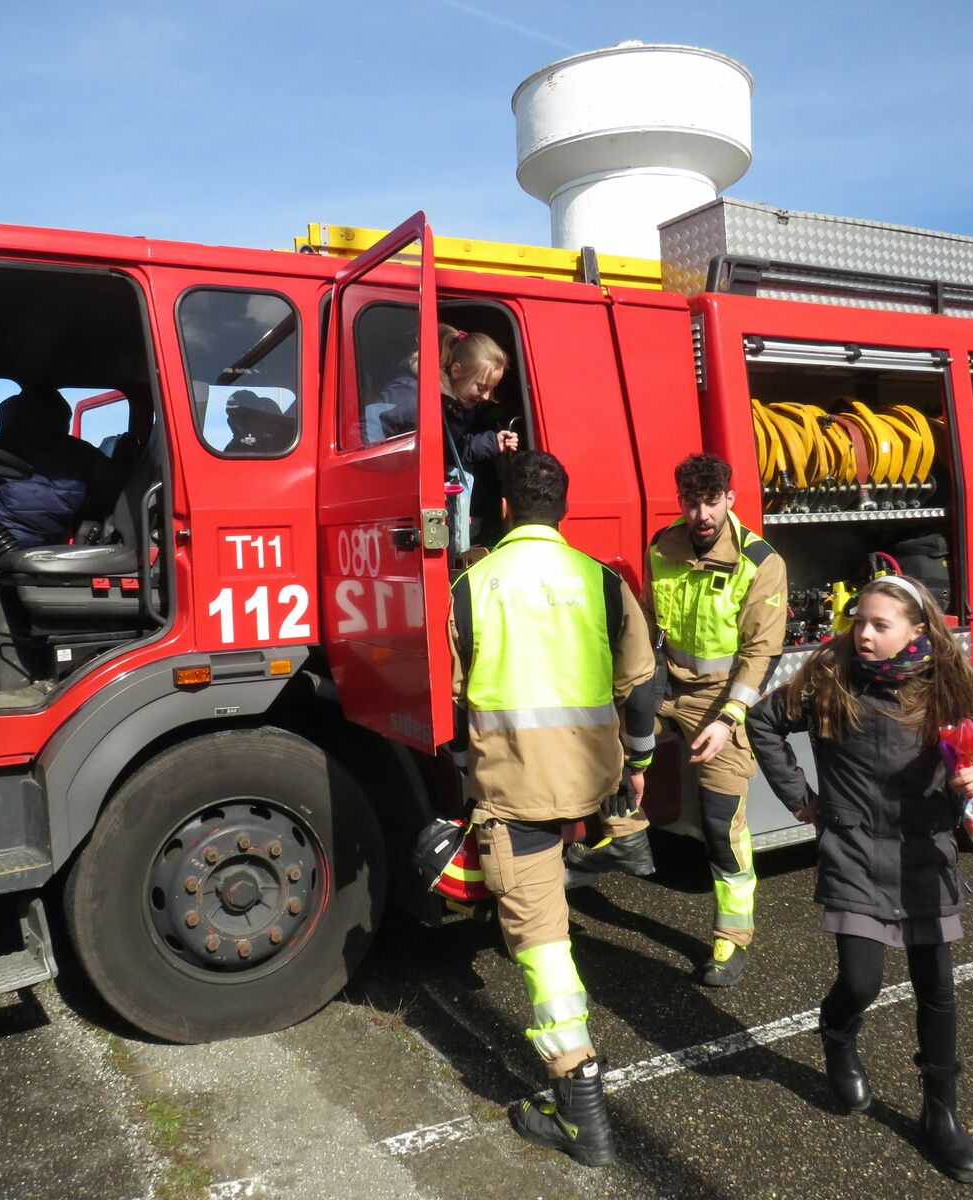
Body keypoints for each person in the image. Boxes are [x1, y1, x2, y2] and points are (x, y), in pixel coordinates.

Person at [746, 576, 973, 1185]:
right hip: (851, 848)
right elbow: (763, 724)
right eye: (860, 622)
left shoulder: (948, 686)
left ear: (917, 631)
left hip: (924, 855)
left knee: (937, 988)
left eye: (880, 624)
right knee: (861, 980)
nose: (865, 634)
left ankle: (941, 1114)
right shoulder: (831, 674)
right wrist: (802, 799)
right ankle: (838, 1035)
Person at [448, 450, 655, 1166]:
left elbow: (449, 703)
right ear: (562, 510)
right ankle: (626, 842)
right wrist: (641, 766)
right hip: (598, 789)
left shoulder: (470, 587)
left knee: (543, 944)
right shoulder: (601, 582)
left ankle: (581, 1111)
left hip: (518, 798)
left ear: (502, 509)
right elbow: (642, 687)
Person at [567, 452, 787, 989]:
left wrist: (730, 717)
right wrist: (634, 688)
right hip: (670, 684)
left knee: (720, 822)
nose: (701, 513)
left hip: (722, 698)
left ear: (729, 499)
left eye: (712, 501)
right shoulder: (664, 547)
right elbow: (646, 623)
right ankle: (626, 838)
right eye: (691, 501)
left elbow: (761, 652)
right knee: (603, 738)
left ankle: (732, 939)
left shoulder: (761, 562)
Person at [0, 385, 120, 572]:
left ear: (13, 415)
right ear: (63, 418)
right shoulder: (87, 454)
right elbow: (111, 493)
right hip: (44, 554)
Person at [378, 325, 519, 554]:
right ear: (456, 370)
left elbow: (451, 449)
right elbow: (369, 430)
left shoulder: (459, 405)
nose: (485, 397)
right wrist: (393, 470)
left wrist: (493, 442)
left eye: (490, 390)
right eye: (482, 387)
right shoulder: (413, 396)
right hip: (400, 497)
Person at [224, 389, 293, 454]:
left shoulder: (287, 444)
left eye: (237, 415)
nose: (230, 421)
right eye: (230, 415)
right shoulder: (235, 447)